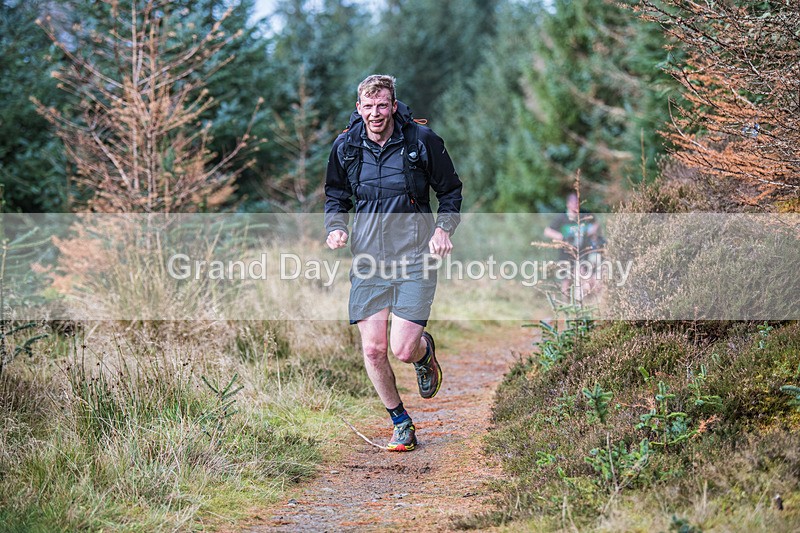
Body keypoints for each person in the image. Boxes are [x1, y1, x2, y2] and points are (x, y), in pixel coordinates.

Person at [324, 74, 462, 451]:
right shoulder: (346, 146)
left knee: (402, 350)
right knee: (372, 349)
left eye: (382, 105)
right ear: (358, 108)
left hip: (416, 258)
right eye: (368, 107)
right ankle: (401, 421)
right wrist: (336, 227)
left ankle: (423, 353)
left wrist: (443, 229)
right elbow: (335, 196)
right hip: (368, 260)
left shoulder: (422, 142)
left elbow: (450, 190)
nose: (375, 114)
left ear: (394, 105)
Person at [544, 192, 603, 299]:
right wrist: (561, 237)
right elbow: (548, 231)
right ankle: (566, 304)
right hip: (566, 253)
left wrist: (590, 232)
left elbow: (596, 224)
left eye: (578, 203)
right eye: (574, 203)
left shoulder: (585, 214)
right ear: (568, 204)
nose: (576, 205)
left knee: (583, 276)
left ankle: (580, 303)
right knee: (566, 280)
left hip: (583, 251)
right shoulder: (562, 217)